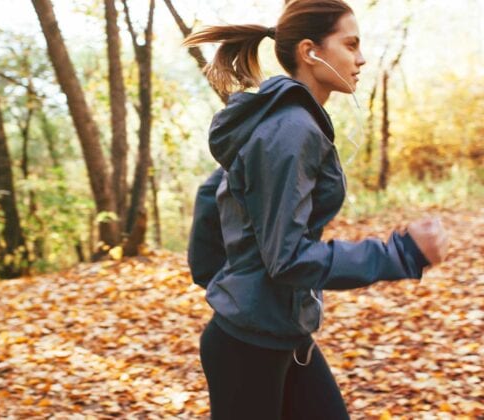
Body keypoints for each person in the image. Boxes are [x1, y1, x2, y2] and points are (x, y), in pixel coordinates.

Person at [184, 0, 449, 419]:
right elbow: (287, 258)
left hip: (278, 332)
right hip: (249, 346)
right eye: (350, 44)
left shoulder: (281, 120)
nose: (360, 58)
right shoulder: (291, 130)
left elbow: (212, 193)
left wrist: (225, 281)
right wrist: (400, 254)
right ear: (311, 51)